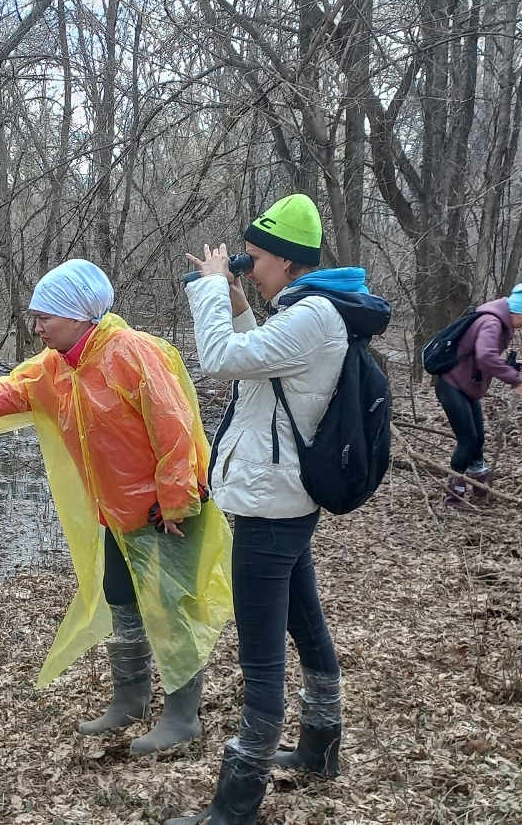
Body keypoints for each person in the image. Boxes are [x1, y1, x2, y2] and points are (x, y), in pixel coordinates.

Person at [0, 259, 232, 755]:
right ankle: (131, 698)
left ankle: (183, 716)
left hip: (165, 514)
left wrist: (174, 502)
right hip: (117, 514)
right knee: (122, 599)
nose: (36, 326)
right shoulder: (56, 368)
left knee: (171, 609)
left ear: (79, 315)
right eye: (35, 317)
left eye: (45, 317)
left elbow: (176, 431)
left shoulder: (132, 353)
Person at [169, 193, 375, 825]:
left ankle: (237, 803)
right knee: (304, 620)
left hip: (271, 505)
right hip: (280, 495)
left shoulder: (314, 315)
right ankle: (319, 746)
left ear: (286, 261)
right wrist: (234, 300)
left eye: (253, 259)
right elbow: (267, 366)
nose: (246, 267)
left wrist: (207, 289)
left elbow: (223, 362)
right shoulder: (315, 311)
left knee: (260, 658)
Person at [436, 284, 522, 507]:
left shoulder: (496, 322)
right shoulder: (491, 322)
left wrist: (508, 364)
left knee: (478, 438)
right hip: (452, 385)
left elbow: (481, 354)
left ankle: (479, 482)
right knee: (468, 440)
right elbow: (484, 357)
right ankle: (454, 494)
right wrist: (514, 379)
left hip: (465, 386)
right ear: (515, 311)